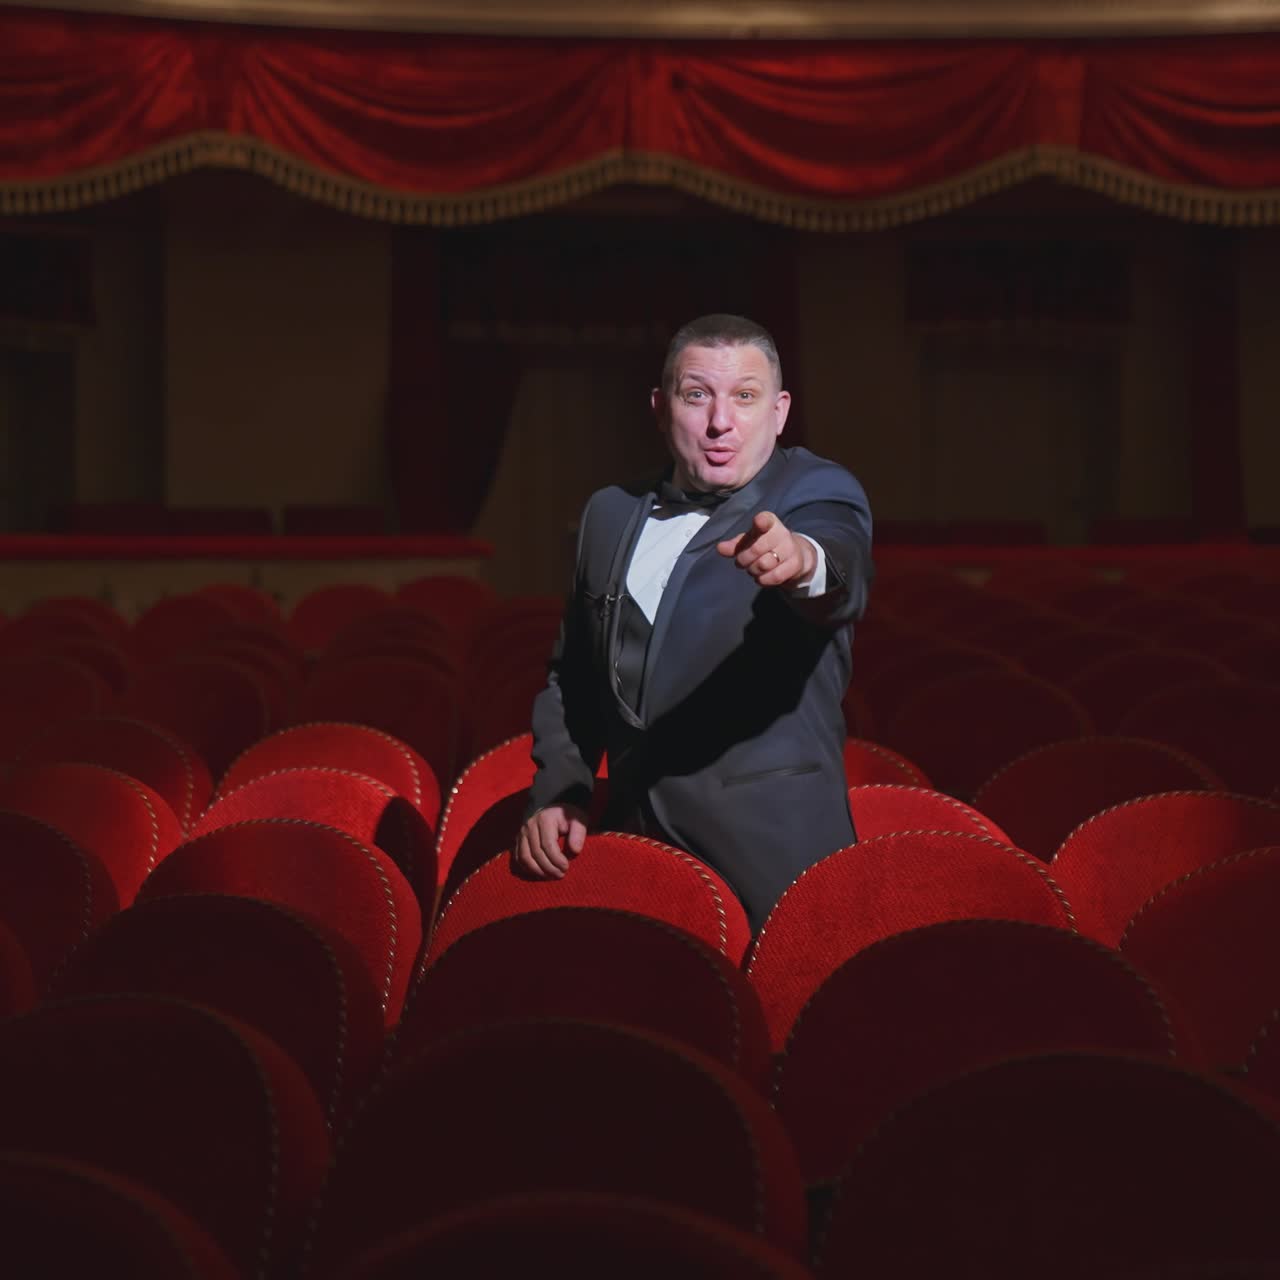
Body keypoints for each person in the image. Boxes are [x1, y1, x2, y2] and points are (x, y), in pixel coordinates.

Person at [515, 313, 873, 930]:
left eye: (745, 396)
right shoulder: (608, 512)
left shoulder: (816, 489)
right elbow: (574, 677)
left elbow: (835, 561)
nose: (720, 423)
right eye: (697, 395)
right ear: (660, 407)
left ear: (780, 412)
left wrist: (800, 562)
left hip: (775, 853)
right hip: (631, 846)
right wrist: (563, 789)